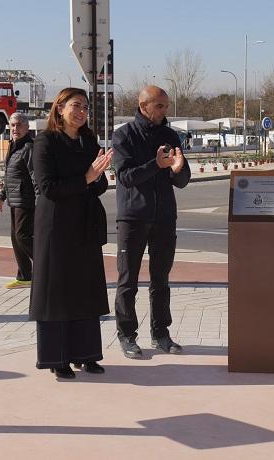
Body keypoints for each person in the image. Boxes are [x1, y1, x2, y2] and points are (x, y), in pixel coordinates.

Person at [30, 87, 113, 379]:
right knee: (58, 293)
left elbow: (98, 186)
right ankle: (58, 359)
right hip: (56, 227)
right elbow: (47, 188)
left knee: (86, 289)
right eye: (76, 106)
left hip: (85, 224)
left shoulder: (89, 140)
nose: (82, 112)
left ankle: (87, 355)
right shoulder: (45, 142)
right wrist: (87, 177)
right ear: (60, 108)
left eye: (86, 107)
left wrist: (99, 176)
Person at [112, 85, 191, 359]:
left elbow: (181, 179)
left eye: (166, 106)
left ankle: (161, 334)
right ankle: (127, 335)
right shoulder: (124, 135)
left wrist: (179, 171)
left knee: (161, 280)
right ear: (143, 105)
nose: (164, 111)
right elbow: (124, 177)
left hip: (164, 218)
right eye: (159, 106)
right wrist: (155, 165)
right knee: (128, 280)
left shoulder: (170, 136)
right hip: (133, 218)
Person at [0, 113, 37, 289]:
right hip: (14, 199)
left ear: (26, 128)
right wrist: (1, 197)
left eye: (18, 125)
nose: (15, 129)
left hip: (26, 200)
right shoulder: (13, 147)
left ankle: (48, 267)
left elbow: (35, 176)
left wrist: (39, 199)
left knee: (22, 236)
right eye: (12, 126)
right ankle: (25, 276)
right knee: (15, 238)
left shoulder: (29, 148)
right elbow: (10, 176)